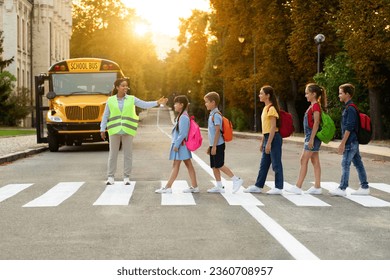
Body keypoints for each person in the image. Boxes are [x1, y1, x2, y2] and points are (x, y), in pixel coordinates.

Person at [100, 78, 167, 185]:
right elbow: (105, 115)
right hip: (114, 130)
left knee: (128, 154)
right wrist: (102, 129)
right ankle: (110, 177)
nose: (125, 87)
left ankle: (126, 177)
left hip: (128, 129)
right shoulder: (110, 100)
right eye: (123, 86)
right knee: (113, 154)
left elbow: (144, 104)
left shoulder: (131, 99)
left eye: (126, 86)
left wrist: (157, 102)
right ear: (117, 87)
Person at [285, 83, 326, 195]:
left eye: (307, 93)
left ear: (313, 94)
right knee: (314, 160)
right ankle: (317, 187)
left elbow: (316, 123)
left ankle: (298, 186)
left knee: (303, 159)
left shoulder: (316, 106)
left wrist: (311, 139)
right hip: (311, 136)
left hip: (312, 137)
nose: (305, 95)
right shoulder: (313, 105)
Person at [329, 83, 370, 196]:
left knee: (345, 163)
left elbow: (349, 127)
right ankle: (364, 187)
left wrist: (342, 143)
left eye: (341, 93)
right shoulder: (350, 107)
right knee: (358, 163)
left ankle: (342, 188)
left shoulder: (350, 108)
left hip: (350, 141)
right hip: (353, 141)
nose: (339, 95)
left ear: (347, 94)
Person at [244, 85, 284, 194]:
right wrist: (263, 142)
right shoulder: (265, 108)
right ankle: (258, 186)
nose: (259, 95)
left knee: (276, 163)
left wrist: (269, 143)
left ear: (268, 95)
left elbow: (273, 127)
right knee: (264, 164)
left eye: (261, 93)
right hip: (268, 137)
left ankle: (278, 187)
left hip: (274, 138)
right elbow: (265, 129)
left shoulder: (271, 108)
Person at [155, 95, 199, 194]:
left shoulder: (183, 117)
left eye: (176, 103)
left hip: (180, 145)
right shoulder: (182, 115)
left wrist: (176, 145)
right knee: (187, 165)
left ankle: (168, 187)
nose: (174, 105)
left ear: (181, 105)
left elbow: (183, 133)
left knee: (176, 165)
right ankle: (194, 186)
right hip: (181, 145)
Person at [204, 91, 243, 193]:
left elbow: (217, 131)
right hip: (214, 144)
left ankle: (236, 179)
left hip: (218, 145)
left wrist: (215, 146)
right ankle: (219, 186)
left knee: (219, 164)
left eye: (207, 102)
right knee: (214, 166)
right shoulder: (212, 114)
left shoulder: (216, 115)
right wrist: (211, 146)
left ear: (213, 102)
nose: (205, 104)